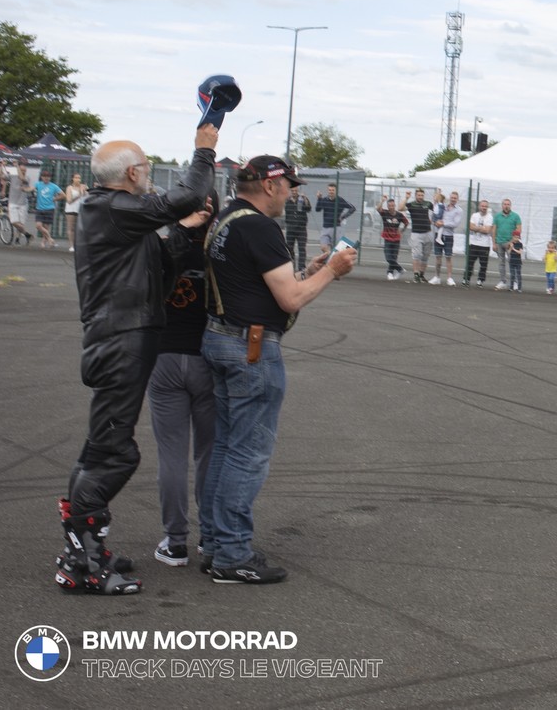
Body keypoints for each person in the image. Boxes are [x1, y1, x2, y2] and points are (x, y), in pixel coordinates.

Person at [54, 123, 218, 595]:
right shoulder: (111, 207)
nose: (149, 175)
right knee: (114, 452)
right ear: (131, 173)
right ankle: (83, 560)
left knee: (101, 446)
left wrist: (184, 233)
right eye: (145, 168)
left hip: (125, 338)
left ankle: (85, 550)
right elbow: (186, 195)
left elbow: (161, 264)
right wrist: (203, 151)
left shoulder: (117, 217)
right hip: (119, 341)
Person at [199, 156, 357, 584]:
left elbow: (258, 282)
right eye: (288, 184)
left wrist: (311, 271)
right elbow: (289, 300)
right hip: (249, 347)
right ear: (269, 186)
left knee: (227, 447)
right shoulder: (260, 227)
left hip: (220, 335)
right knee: (248, 453)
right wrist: (331, 272)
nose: (292, 192)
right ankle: (232, 554)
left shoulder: (227, 218)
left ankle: (216, 544)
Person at [146, 190, 219, 567]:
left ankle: (175, 541)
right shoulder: (219, 253)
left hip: (165, 356)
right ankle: (209, 536)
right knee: (209, 453)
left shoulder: (160, 247)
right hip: (208, 359)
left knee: (171, 455)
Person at [431, 190, 464, 285]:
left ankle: (449, 278)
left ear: (457, 199)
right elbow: (436, 212)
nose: (453, 199)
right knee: (438, 256)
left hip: (449, 235)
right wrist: (436, 222)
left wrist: (443, 223)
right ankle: (437, 277)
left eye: (455, 198)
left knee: (448, 257)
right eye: (452, 197)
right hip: (438, 233)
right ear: (449, 198)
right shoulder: (443, 206)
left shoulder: (459, 210)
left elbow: (455, 223)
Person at [403, 188, 434, 284]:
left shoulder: (428, 204)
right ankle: (416, 274)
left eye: (422, 195)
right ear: (416, 195)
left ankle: (421, 274)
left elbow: (436, 212)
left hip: (428, 232)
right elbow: (400, 208)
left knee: (425, 255)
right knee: (417, 254)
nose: (420, 197)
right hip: (416, 233)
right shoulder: (411, 204)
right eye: (419, 195)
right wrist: (406, 198)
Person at [491, 198, 523, 292]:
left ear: (510, 205)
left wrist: (512, 242)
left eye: (508, 204)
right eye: (504, 204)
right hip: (499, 242)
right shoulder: (497, 216)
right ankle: (503, 281)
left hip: (511, 243)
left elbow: (518, 230)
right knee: (501, 263)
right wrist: (494, 243)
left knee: (512, 262)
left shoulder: (515, 216)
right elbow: (494, 230)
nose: (506, 206)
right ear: (502, 205)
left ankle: (515, 282)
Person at [314, 183, 355, 251]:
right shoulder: (324, 200)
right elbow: (317, 209)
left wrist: (343, 217)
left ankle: (335, 258)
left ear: (336, 191)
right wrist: (319, 199)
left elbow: (352, 208)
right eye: (329, 190)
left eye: (333, 190)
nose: (331, 192)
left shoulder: (340, 200)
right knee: (323, 247)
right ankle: (330, 259)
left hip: (336, 228)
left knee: (336, 249)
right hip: (325, 228)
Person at [463, 198, 495, 287]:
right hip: (473, 243)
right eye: (482, 206)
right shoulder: (474, 215)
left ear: (487, 207)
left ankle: (480, 280)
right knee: (470, 262)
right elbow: (470, 227)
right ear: (479, 206)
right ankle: (466, 279)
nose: (484, 207)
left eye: (485, 206)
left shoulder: (490, 217)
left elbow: (488, 230)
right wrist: (481, 228)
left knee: (483, 264)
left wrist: (477, 228)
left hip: (485, 245)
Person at [377, 196, 409, 280]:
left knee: (394, 257)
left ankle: (390, 273)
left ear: (395, 206)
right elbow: (378, 209)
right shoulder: (385, 213)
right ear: (387, 206)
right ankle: (400, 269)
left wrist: (402, 231)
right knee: (388, 257)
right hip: (387, 238)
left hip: (396, 239)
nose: (391, 207)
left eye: (393, 205)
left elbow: (406, 223)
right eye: (389, 205)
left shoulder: (399, 215)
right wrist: (382, 200)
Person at [3, 158, 32, 244]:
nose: (23, 172)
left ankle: (17, 239)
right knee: (14, 221)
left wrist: (17, 167)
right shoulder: (13, 176)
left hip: (23, 203)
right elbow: (1, 176)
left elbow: (22, 178)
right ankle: (27, 234)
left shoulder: (27, 178)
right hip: (13, 202)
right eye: (22, 170)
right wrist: (3, 165)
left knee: (21, 222)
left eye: (24, 170)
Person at [32, 167, 61, 248]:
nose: (46, 178)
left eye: (48, 176)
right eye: (44, 176)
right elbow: (32, 189)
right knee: (38, 225)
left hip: (49, 208)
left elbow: (63, 195)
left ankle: (43, 243)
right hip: (39, 208)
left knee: (46, 227)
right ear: (41, 177)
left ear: (50, 177)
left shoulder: (53, 186)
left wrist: (55, 198)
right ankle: (50, 239)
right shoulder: (38, 184)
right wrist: (25, 189)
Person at [282, 188, 311, 267]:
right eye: (292, 191)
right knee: (290, 249)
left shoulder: (302, 199)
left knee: (302, 249)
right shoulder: (287, 200)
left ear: (298, 191)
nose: (294, 192)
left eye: (295, 191)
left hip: (301, 228)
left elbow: (309, 209)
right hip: (291, 228)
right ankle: (291, 266)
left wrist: (305, 200)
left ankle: (301, 267)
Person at [62, 171, 86, 252]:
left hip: (80, 210)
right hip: (71, 210)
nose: (78, 179)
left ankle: (78, 244)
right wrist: (79, 194)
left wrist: (85, 190)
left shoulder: (82, 187)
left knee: (79, 228)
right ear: (72, 179)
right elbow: (69, 200)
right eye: (76, 178)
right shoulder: (69, 188)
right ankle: (71, 245)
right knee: (71, 228)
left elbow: (88, 196)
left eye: (79, 178)